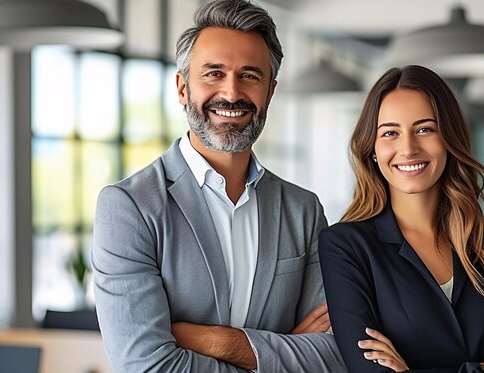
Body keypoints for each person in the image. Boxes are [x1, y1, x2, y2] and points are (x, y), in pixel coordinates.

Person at [91, 1, 346, 372]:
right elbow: (146, 366)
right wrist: (283, 354)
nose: (231, 93)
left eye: (250, 75)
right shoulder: (130, 207)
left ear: (270, 92)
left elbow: (335, 354)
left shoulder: (302, 209)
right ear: (182, 87)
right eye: (213, 73)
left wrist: (219, 342)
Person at [318, 65, 484, 373]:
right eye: (390, 133)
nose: (408, 148)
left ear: (449, 139)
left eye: (425, 129)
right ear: (372, 149)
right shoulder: (345, 246)